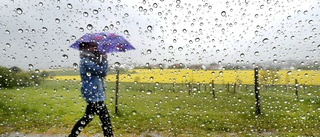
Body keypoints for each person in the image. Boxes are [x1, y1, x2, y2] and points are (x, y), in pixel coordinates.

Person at [69, 42, 113, 137]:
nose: (96, 48)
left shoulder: (90, 60)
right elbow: (102, 72)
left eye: (96, 46)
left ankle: (72, 135)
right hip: (93, 93)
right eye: (93, 46)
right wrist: (104, 60)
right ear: (86, 48)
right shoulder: (86, 61)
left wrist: (101, 59)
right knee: (105, 119)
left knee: (88, 118)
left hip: (95, 93)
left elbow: (99, 72)